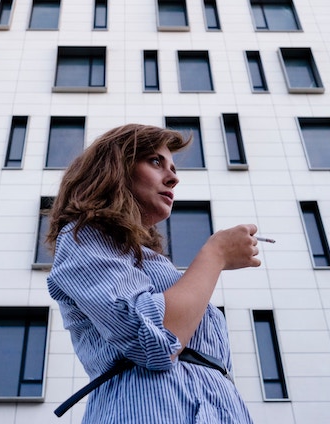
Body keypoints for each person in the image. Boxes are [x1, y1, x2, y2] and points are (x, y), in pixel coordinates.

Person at [46, 124, 260, 423]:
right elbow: (154, 341)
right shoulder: (84, 236)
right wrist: (216, 254)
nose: (173, 178)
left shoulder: (153, 263)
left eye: (171, 167)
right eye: (156, 161)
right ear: (115, 168)